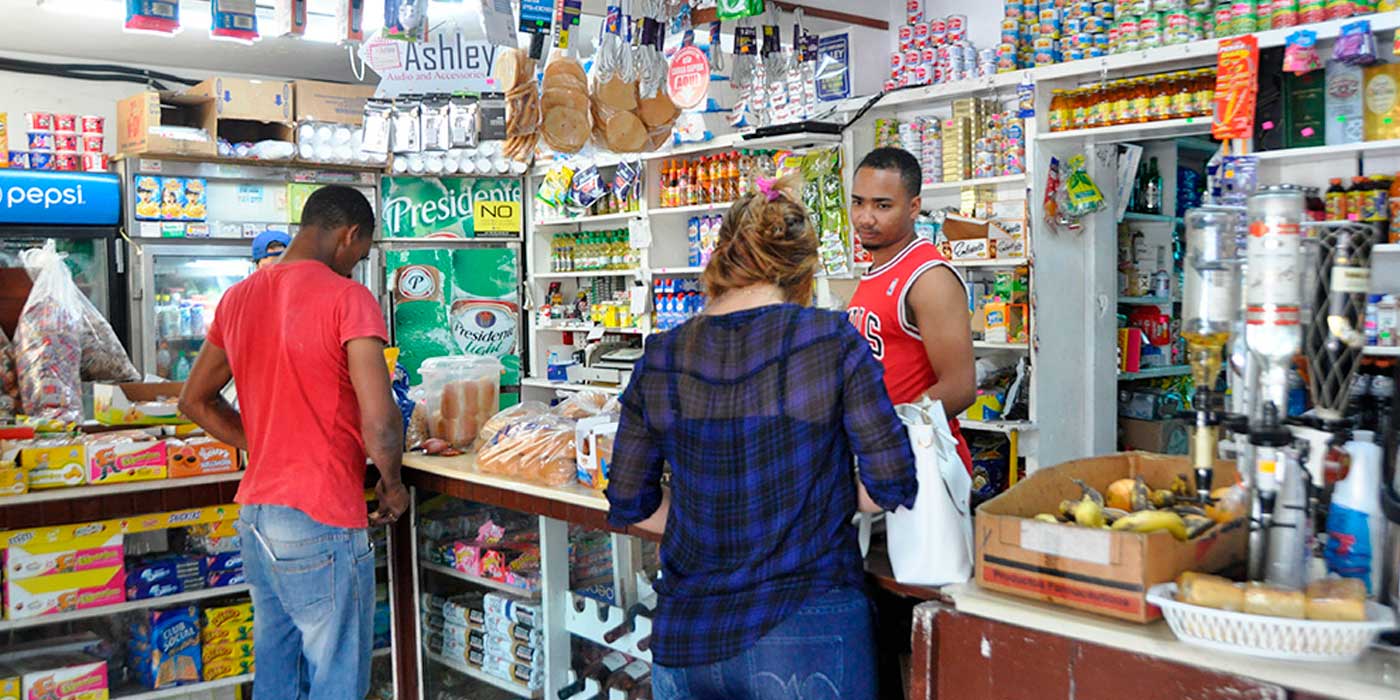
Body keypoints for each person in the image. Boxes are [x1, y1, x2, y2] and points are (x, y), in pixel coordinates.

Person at [606, 175, 918, 700]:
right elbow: (891, 480)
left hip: (689, 635)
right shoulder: (832, 340)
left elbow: (628, 500)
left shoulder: (661, 355)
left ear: (722, 259)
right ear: (803, 269)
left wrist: (709, 520)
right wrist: (816, 504)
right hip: (807, 625)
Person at [178, 185, 409, 700]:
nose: (356, 266)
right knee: (336, 678)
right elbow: (381, 422)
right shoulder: (348, 297)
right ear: (349, 235)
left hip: (257, 516)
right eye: (361, 254)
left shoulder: (239, 296)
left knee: (278, 676)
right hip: (320, 515)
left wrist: (261, 445)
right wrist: (392, 485)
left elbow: (194, 400)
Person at [848, 147, 977, 473]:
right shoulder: (879, 269)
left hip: (924, 464)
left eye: (882, 205)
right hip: (887, 461)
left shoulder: (928, 277)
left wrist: (888, 431)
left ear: (914, 207)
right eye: (858, 202)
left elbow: (960, 388)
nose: (865, 217)